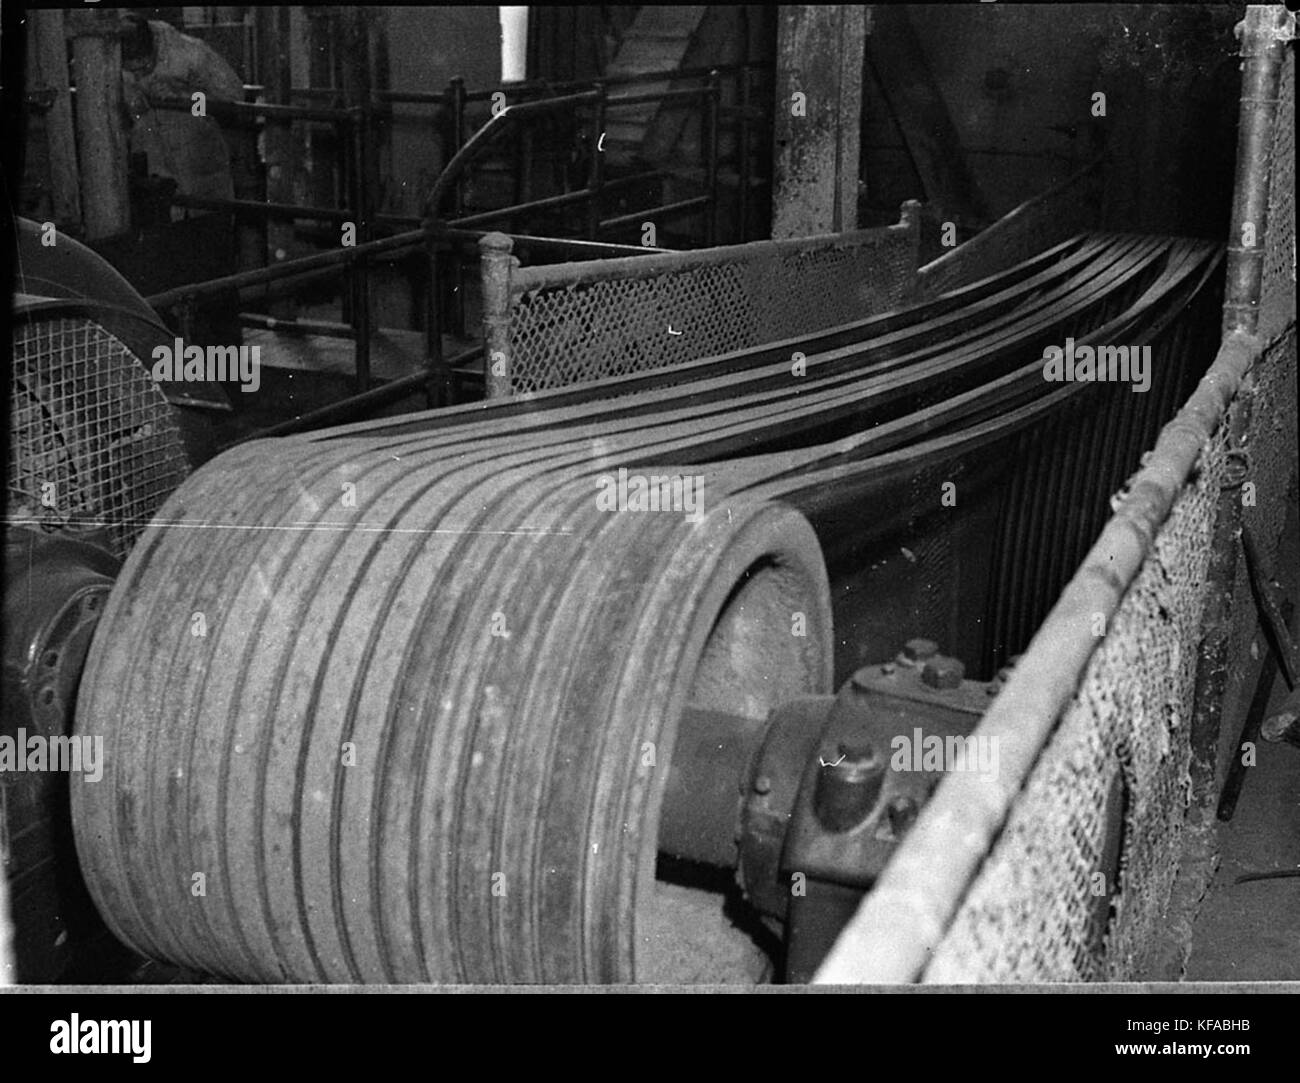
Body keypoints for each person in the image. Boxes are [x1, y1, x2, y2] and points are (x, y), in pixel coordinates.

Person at [118, 14, 247, 214]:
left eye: (143, 67)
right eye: (132, 70)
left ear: (152, 49)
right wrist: (125, 94)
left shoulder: (192, 54)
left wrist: (187, 98)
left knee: (210, 221)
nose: (139, 75)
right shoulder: (107, 56)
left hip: (199, 160)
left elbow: (234, 95)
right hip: (155, 167)